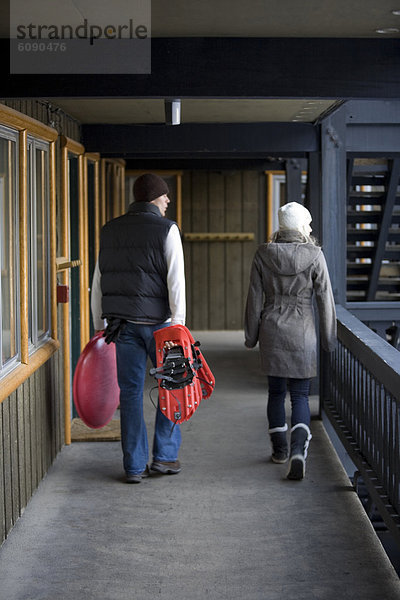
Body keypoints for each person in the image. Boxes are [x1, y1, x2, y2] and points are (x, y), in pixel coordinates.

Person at [91, 173, 186, 484]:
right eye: (165, 195)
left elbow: (98, 281)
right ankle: (165, 457)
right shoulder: (167, 229)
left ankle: (133, 466)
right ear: (154, 198)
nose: (168, 200)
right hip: (162, 327)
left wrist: (98, 325)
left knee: (130, 394)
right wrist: (179, 325)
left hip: (123, 325)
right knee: (171, 387)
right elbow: (176, 282)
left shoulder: (110, 230)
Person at [244, 202, 336, 480]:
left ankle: (280, 451)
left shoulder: (263, 254)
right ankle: (298, 451)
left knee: (275, 393)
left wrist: (251, 336)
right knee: (299, 396)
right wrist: (328, 340)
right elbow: (325, 300)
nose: (310, 229)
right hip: (303, 332)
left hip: (272, 329)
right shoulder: (315, 255)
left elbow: (254, 299)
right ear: (301, 227)